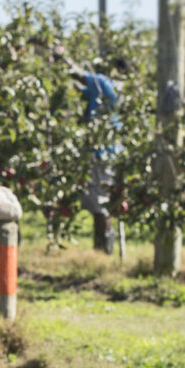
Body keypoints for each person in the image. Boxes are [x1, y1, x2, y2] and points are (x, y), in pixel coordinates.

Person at [68, 56, 129, 252]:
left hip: (101, 151)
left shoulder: (102, 82)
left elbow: (78, 74)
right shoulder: (118, 88)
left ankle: (103, 249)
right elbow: (83, 90)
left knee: (99, 203)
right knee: (104, 200)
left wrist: (60, 56)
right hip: (113, 150)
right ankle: (102, 248)